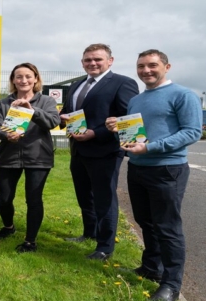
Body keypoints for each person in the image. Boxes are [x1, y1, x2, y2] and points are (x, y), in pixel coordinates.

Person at [106, 50, 202, 301]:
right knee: (146, 221)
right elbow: (135, 136)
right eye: (141, 66)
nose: (146, 70)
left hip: (167, 168)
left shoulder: (183, 95)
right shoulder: (137, 100)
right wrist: (119, 129)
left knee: (167, 227)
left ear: (167, 66)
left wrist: (150, 147)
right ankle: (151, 268)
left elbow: (192, 132)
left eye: (152, 65)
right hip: (138, 167)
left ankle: (171, 284)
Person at [59, 43, 139, 260]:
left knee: (105, 199)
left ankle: (105, 247)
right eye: (88, 60)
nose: (92, 63)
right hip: (78, 150)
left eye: (98, 59)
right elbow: (69, 111)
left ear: (109, 61)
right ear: (82, 62)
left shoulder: (123, 83)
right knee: (84, 196)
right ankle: (90, 233)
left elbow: (127, 118)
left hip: (105, 151)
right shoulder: (76, 85)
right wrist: (61, 117)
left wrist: (96, 133)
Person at [0, 63, 60, 252]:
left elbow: (53, 122)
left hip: (38, 157)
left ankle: (30, 240)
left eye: (28, 76)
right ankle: (8, 227)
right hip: (8, 156)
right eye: (19, 77)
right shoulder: (3, 103)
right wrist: (7, 135)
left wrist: (32, 110)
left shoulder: (46, 101)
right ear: (13, 80)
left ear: (36, 79)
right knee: (4, 198)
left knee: (34, 199)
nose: (24, 80)